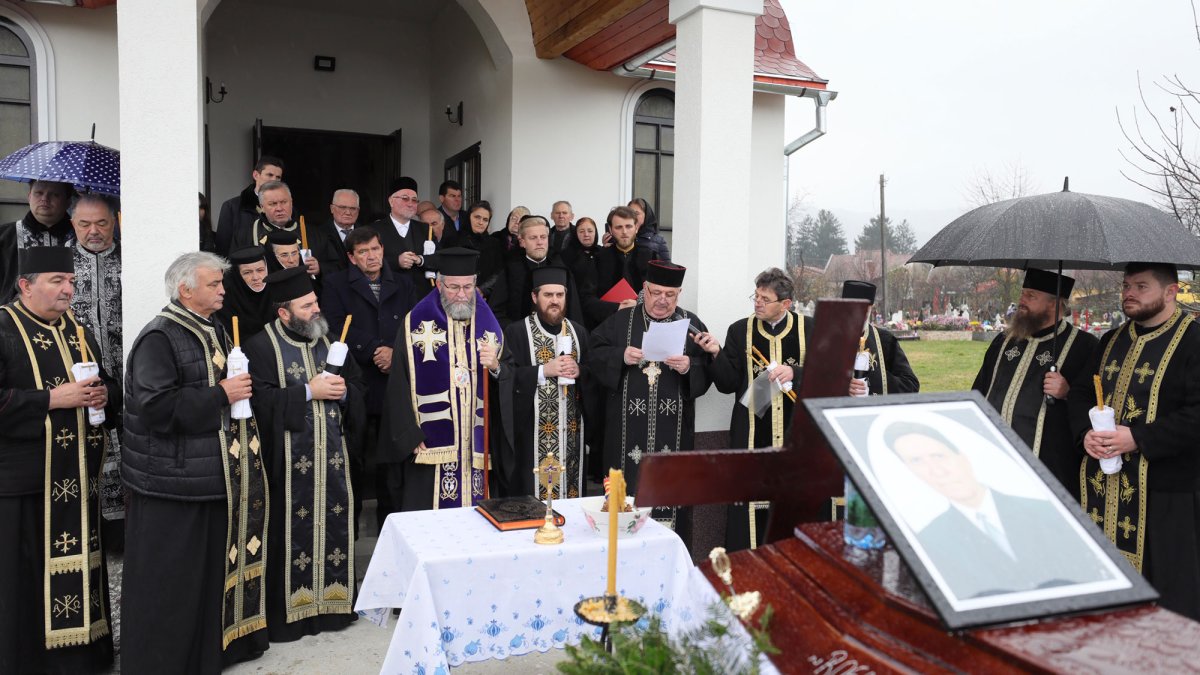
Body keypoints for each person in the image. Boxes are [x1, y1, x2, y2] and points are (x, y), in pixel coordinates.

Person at [122, 252, 269, 673]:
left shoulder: (211, 326)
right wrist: (222, 394)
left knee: (203, 576)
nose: (223, 290)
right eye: (214, 284)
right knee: (172, 580)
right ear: (186, 290)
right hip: (172, 482)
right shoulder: (159, 337)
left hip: (207, 475)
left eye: (222, 283)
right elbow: (155, 408)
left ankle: (204, 656)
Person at [0, 246, 117, 673]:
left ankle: (81, 660)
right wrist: (51, 399)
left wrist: (104, 395)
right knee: (23, 580)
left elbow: (105, 382)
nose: (69, 289)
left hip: (78, 478)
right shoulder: (3, 328)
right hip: (24, 484)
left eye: (71, 281)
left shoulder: (77, 330)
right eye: (57, 281)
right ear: (25, 285)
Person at [1069, 262, 1200, 620]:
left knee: (1168, 602)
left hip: (1166, 495)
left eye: (1141, 287)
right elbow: (1081, 393)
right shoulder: (1111, 340)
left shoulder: (1193, 341)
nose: (1129, 293)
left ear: (1171, 292)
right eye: (1126, 286)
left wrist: (1138, 437)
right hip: (1101, 490)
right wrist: (1085, 434)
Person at [244, 267, 362, 642]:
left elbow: (357, 386)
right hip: (286, 468)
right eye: (306, 305)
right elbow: (258, 404)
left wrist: (345, 393)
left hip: (335, 462)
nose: (316, 310)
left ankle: (333, 607)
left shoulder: (330, 339)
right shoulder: (259, 346)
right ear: (284, 312)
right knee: (289, 537)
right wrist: (308, 392)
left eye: (315, 302)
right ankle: (291, 617)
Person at [885, 421, 1110, 600]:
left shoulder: (1046, 511)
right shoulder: (929, 539)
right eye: (917, 461)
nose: (936, 470)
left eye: (938, 456)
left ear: (961, 456)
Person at [590, 260, 712, 538]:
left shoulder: (691, 325)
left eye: (670, 294)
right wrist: (620, 356)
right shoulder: (621, 321)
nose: (662, 300)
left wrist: (689, 367)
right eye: (656, 293)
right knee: (624, 507)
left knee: (671, 509)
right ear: (644, 289)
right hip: (624, 435)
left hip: (674, 435)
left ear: (679, 294)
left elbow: (708, 367)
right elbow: (593, 354)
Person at [379, 248, 506, 511]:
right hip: (430, 444)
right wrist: (408, 433)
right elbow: (399, 382)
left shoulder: (489, 325)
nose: (461, 295)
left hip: (476, 441)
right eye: (454, 287)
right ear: (439, 285)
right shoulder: (415, 323)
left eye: (468, 287)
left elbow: (508, 375)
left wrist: (496, 366)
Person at [703, 267, 811, 551]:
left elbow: (826, 374)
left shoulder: (809, 329)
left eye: (765, 299)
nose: (758, 303)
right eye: (756, 296)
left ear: (785, 304)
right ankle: (747, 567)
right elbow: (727, 383)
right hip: (750, 435)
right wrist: (716, 354)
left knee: (792, 506)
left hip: (796, 437)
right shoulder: (740, 330)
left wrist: (795, 372)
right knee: (749, 510)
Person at [321, 227, 415, 529]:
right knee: (355, 455)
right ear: (351, 257)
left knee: (393, 457)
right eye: (363, 252)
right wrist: (375, 349)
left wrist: (394, 353)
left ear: (383, 249)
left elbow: (415, 324)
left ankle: (391, 523)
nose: (371, 256)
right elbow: (333, 326)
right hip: (357, 379)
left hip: (394, 379)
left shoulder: (403, 282)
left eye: (375, 249)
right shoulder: (335, 284)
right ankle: (350, 526)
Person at [973, 270, 1095, 495]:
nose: (1022, 301)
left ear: (1054, 304)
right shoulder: (1004, 341)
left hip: (1051, 467)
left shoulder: (1084, 346)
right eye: (1023, 294)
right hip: (994, 455)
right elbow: (979, 390)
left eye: (1031, 296)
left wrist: (1067, 392)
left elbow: (1097, 405)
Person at [498, 266, 590, 498]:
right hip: (531, 437)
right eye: (548, 295)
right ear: (534, 297)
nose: (555, 301)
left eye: (560, 295)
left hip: (571, 437)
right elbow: (505, 378)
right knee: (533, 502)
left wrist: (580, 371)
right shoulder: (517, 332)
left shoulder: (579, 332)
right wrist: (542, 371)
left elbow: (594, 377)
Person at [69, 194, 126, 548]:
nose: (94, 231)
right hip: (81, 381)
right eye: (84, 224)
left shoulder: (131, 259)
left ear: (115, 222)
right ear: (72, 225)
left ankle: (128, 533)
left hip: (127, 376)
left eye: (102, 223)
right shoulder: (59, 265)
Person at [491, 215, 585, 326]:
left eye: (543, 237)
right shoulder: (510, 271)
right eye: (533, 238)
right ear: (522, 242)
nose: (539, 242)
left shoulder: (561, 270)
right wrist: (517, 331)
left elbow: (574, 311)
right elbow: (496, 312)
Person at [0, 180, 75, 304]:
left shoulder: (81, 236)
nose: (44, 199)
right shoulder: (5, 236)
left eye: (54, 194)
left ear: (68, 201)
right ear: (29, 196)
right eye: (38, 193)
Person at [842, 280, 920, 397]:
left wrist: (874, 377)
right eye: (852, 308)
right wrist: (843, 385)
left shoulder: (885, 340)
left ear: (870, 308)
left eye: (864, 308)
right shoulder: (826, 340)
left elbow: (911, 385)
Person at [581, 206, 655, 328]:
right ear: (610, 229)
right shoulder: (599, 258)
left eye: (628, 226)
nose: (624, 232)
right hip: (608, 326)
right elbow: (587, 299)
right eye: (618, 227)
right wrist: (618, 307)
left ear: (636, 228)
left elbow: (660, 295)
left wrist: (638, 304)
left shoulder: (651, 257)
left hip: (643, 326)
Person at [370, 177, 435, 297]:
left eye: (414, 200)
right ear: (391, 201)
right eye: (405, 198)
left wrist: (421, 260)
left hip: (421, 296)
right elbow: (367, 261)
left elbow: (439, 259)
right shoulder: (374, 230)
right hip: (389, 295)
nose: (410, 204)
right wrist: (397, 262)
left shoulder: (426, 229)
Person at [215, 155, 284, 256]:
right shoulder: (232, 207)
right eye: (269, 175)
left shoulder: (285, 208)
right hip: (242, 265)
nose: (274, 180)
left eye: (278, 177)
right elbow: (222, 248)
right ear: (256, 175)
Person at [214, 246, 274, 343]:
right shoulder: (225, 301)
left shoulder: (278, 292)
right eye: (247, 272)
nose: (255, 277)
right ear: (237, 275)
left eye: (260, 270)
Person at [451, 201, 505, 302]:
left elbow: (498, 272)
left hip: (486, 298)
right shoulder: (454, 239)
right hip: (457, 296)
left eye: (485, 219)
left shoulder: (495, 243)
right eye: (477, 217)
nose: (481, 222)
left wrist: (482, 290)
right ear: (469, 217)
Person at [319, 188, 361, 273]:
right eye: (342, 207)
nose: (348, 212)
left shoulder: (367, 234)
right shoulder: (319, 235)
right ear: (332, 209)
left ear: (358, 211)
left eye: (353, 208)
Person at [628, 197, 670, 261]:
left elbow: (666, 265)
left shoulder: (658, 241)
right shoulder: (621, 235)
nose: (633, 216)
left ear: (646, 215)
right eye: (630, 213)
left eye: (637, 213)